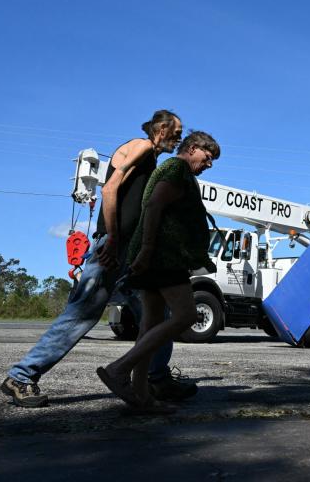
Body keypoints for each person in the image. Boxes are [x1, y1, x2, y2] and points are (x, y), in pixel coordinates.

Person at [1, 110, 195, 407]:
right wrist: (113, 238)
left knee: (155, 318)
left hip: (127, 251)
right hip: (114, 249)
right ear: (161, 128)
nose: (179, 137)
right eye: (177, 131)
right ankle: (22, 376)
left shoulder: (151, 158)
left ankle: (157, 379)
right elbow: (109, 189)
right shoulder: (141, 147)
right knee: (82, 314)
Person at [97, 131, 219, 410]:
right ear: (192, 148)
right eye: (208, 157)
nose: (209, 164)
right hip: (164, 255)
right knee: (186, 315)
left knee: (149, 325)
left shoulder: (173, 170)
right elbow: (153, 206)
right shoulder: (176, 168)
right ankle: (118, 369)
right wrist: (149, 249)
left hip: (155, 255)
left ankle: (141, 395)